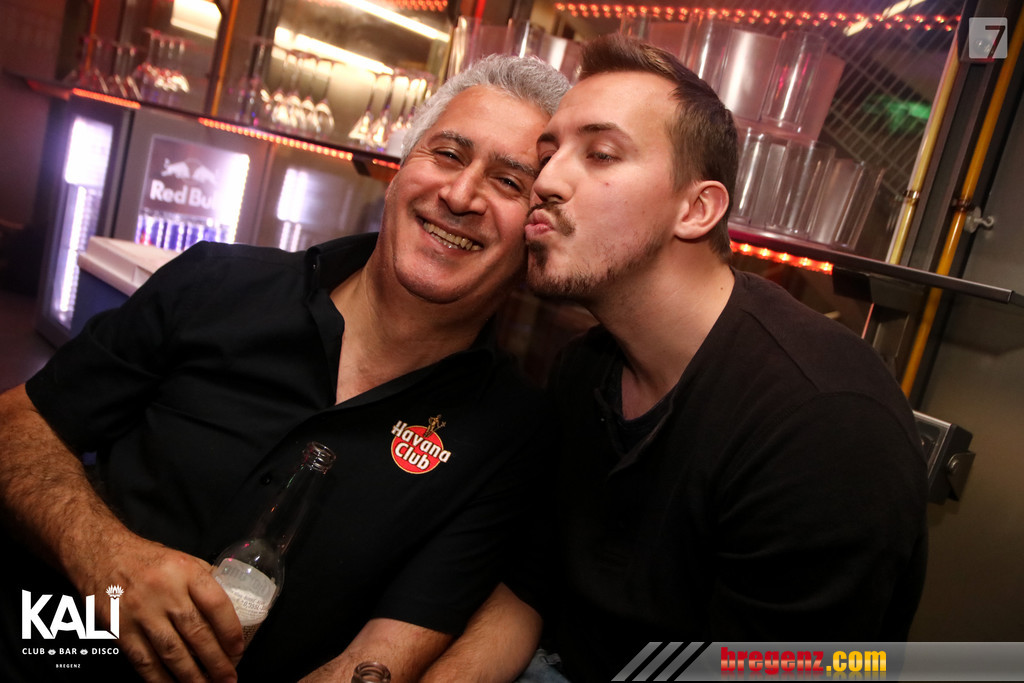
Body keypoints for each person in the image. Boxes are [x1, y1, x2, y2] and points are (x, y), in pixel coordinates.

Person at [0, 55, 569, 682]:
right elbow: (17, 425)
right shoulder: (217, 285)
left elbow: (389, 646)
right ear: (400, 167)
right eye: (448, 155)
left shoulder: (508, 433)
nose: (460, 196)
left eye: (510, 183)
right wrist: (108, 559)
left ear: (538, 229)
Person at [427, 34, 929, 682]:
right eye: (547, 156)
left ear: (696, 209)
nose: (544, 182)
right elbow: (532, 583)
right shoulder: (586, 367)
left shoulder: (822, 421)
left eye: (600, 154)